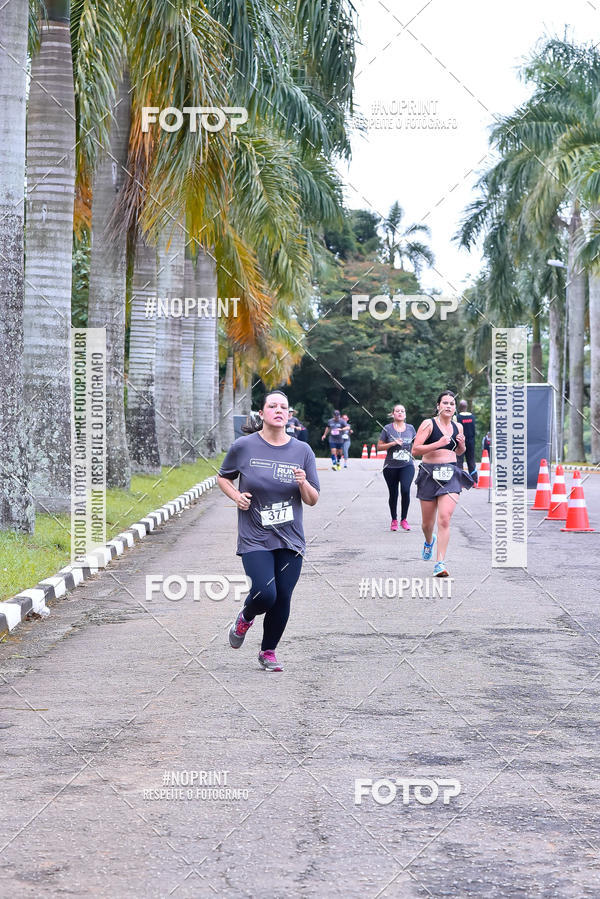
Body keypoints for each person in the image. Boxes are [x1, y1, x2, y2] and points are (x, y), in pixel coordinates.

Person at [217, 390, 320, 671]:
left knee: (283, 596)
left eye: (283, 407)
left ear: (289, 414)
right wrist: (236, 496)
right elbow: (223, 478)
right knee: (265, 594)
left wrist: (302, 483)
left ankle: (268, 651)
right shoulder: (244, 446)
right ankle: (246, 616)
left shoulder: (302, 451)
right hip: (255, 535)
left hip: (290, 538)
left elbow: (312, 499)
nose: (278, 410)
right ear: (261, 413)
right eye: (272, 406)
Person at [412, 391, 474, 577]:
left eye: (451, 404)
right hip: (429, 474)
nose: (448, 406)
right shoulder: (428, 424)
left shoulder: (458, 426)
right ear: (438, 406)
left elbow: (459, 452)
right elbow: (415, 450)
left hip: (450, 473)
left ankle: (440, 563)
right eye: (445, 403)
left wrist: (462, 445)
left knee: (445, 518)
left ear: (455, 408)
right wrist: (438, 443)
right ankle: (429, 541)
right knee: (427, 524)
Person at [378, 404, 416, 531]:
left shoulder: (411, 428)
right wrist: (393, 443)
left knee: (405, 490)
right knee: (393, 493)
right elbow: (379, 447)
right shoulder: (387, 428)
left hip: (407, 465)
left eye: (402, 411)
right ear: (393, 414)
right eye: (397, 411)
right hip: (390, 466)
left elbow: (417, 444)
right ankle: (394, 520)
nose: (400, 413)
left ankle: (404, 519)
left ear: (405, 414)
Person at [456, 399, 477, 483]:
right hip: (471, 442)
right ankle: (474, 481)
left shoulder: (457, 417)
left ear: (459, 407)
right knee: (471, 461)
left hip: (460, 441)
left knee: (459, 461)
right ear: (466, 406)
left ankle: (460, 482)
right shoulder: (472, 417)